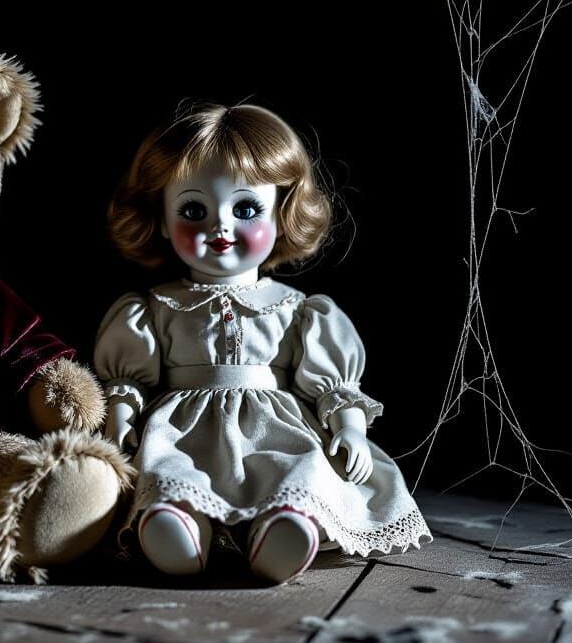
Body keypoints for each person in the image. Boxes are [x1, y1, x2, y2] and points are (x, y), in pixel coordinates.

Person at [94, 103, 431, 583]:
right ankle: (180, 526)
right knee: (170, 474)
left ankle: (285, 525)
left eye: (247, 208)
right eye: (193, 210)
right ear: (163, 221)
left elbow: (332, 386)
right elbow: (128, 379)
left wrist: (350, 428)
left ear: (282, 213)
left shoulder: (300, 310)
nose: (221, 227)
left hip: (275, 431)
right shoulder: (150, 309)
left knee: (301, 469)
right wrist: (122, 418)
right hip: (182, 433)